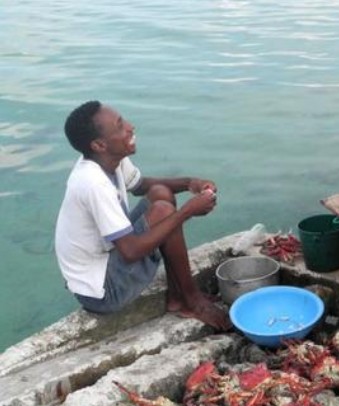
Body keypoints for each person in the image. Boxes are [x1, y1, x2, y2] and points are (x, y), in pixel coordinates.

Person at [54, 101, 231, 331]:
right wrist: (188, 210)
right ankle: (193, 301)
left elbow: (140, 186)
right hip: (103, 292)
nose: (130, 127)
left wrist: (190, 183)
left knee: (160, 193)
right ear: (99, 144)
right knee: (164, 211)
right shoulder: (92, 183)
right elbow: (130, 252)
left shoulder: (110, 158)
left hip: (110, 260)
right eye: (119, 127)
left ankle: (178, 298)